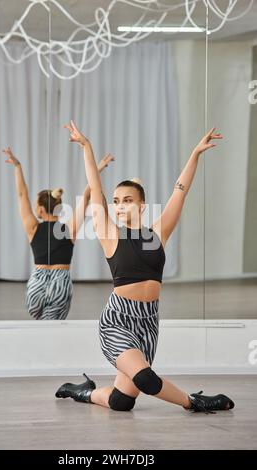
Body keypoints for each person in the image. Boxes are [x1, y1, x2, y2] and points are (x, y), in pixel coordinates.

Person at [55, 121, 235, 414]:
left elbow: (181, 190)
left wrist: (195, 154)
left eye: (128, 200)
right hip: (118, 320)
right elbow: (96, 190)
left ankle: (83, 393)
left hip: (148, 322)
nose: (120, 206)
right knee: (147, 380)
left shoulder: (157, 234)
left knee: (121, 402)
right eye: (116, 202)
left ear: (141, 205)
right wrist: (87, 148)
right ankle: (195, 403)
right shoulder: (109, 234)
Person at [2, 146, 114, 320]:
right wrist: (97, 168)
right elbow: (86, 196)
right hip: (60, 282)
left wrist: (18, 167)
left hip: (37, 283)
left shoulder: (33, 228)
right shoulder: (69, 229)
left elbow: (21, 194)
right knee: (53, 329)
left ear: (39, 209)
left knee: (40, 327)